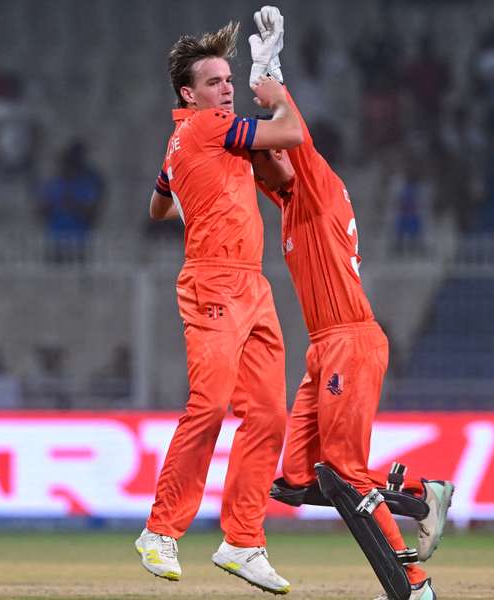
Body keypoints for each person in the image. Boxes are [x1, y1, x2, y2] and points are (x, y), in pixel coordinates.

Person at [247, 8, 452, 600]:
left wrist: (270, 74)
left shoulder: (318, 182)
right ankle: (417, 495)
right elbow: (256, 158)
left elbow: (293, 135)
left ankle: (413, 585)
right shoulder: (288, 205)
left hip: (350, 339)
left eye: (273, 152)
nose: (272, 158)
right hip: (326, 348)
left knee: (341, 470)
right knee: (293, 481)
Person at [135, 20, 303, 595]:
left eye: (232, 80)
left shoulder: (185, 139)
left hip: (251, 284)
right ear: (190, 95)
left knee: (268, 414)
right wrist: (270, 79)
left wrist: (190, 190)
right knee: (208, 405)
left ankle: (243, 541)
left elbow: (158, 207)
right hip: (213, 281)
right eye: (215, 81)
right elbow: (292, 138)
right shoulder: (212, 127)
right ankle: (160, 531)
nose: (227, 89)